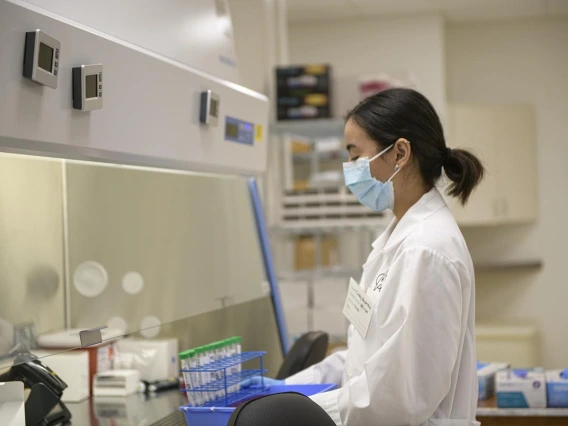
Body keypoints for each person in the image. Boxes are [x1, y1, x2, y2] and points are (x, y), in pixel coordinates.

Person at [249, 88, 484, 425]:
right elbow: (364, 359)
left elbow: (401, 397)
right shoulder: (394, 240)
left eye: (355, 154)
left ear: (400, 152)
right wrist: (288, 388)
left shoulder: (426, 250)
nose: (349, 168)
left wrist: (299, 411)